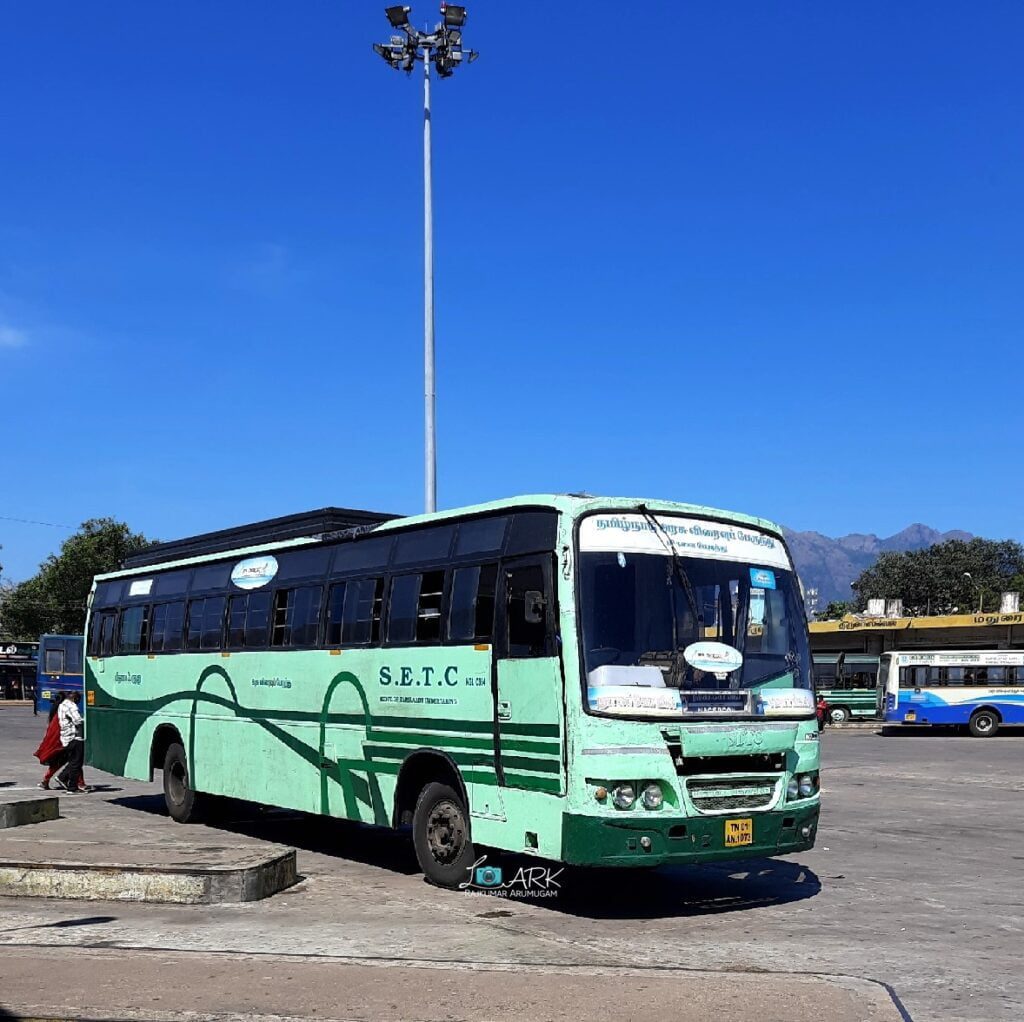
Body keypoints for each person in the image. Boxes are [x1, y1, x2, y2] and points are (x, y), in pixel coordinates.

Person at [53, 691, 92, 794]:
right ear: (75, 698)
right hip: (75, 737)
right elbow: (78, 720)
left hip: (65, 737)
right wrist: (87, 721)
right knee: (76, 762)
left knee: (73, 761)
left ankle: (62, 777)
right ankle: (72, 787)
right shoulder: (71, 706)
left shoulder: (62, 705)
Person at [34, 691, 67, 789]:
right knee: (75, 761)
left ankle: (46, 780)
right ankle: (75, 781)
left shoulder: (54, 711)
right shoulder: (62, 711)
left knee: (58, 763)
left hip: (55, 742)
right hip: (61, 741)